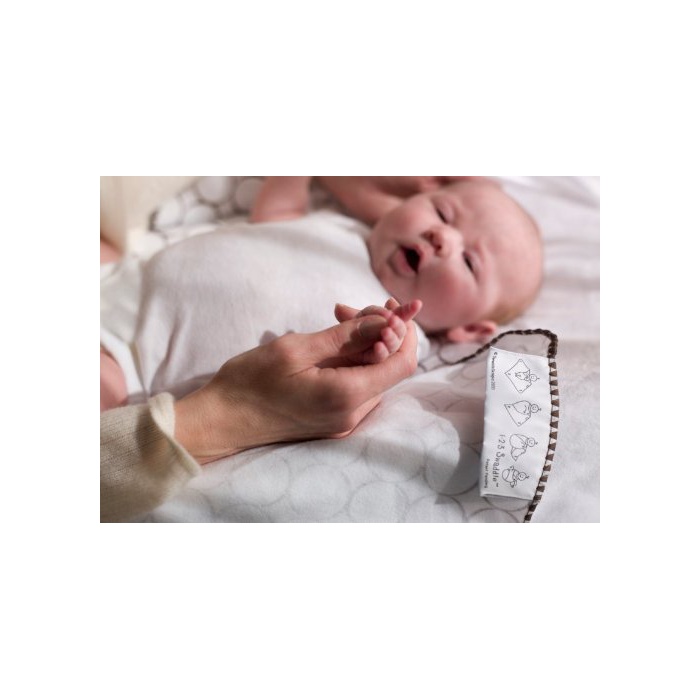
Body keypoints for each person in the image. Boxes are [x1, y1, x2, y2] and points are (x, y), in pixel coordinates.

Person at [101, 299, 420, 522]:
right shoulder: (333, 229)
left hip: (140, 378)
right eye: (438, 220)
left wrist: (380, 341)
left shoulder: (420, 338)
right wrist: (232, 410)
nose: (439, 235)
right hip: (123, 340)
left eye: (469, 262)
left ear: (451, 332)